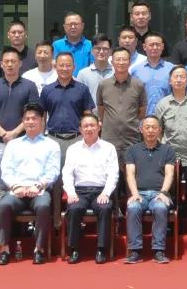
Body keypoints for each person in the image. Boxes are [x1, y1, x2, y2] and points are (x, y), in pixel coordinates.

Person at [0, 103, 59, 266]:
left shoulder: (51, 144)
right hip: (17, 190)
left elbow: (53, 171)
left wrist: (38, 186)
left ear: (42, 120)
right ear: (22, 121)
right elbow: (6, 170)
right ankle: (4, 249)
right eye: (27, 118)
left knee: (43, 205)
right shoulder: (13, 144)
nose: (30, 122)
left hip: (39, 190)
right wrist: (15, 186)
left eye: (34, 118)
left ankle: (39, 249)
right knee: (4, 204)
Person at [62, 113, 119, 264]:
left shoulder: (109, 148)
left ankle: (101, 249)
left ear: (99, 127)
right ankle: (74, 249)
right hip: (79, 191)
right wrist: (71, 193)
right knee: (73, 208)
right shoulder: (73, 149)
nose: (89, 129)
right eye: (85, 126)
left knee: (105, 208)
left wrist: (106, 193)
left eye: (92, 125)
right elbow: (67, 174)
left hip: (100, 190)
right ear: (80, 129)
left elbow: (113, 174)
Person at [124, 115, 176, 264]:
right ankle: (135, 251)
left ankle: (159, 250)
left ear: (159, 130)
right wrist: (134, 193)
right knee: (133, 207)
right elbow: (130, 174)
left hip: (159, 194)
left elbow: (169, 174)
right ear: (141, 130)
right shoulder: (132, 150)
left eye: (154, 127)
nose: (151, 130)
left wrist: (163, 192)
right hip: (139, 193)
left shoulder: (168, 150)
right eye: (147, 127)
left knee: (160, 207)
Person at [0, 48, 41, 173]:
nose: (10, 64)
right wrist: (3, 134)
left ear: (20, 64)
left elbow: (34, 114)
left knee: (23, 174)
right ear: (1, 64)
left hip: (23, 139)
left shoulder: (30, 86)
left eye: (13, 61)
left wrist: (14, 133)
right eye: (6, 61)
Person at [39, 52, 96, 162]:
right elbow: (42, 116)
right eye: (61, 65)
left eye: (68, 65)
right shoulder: (47, 90)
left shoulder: (82, 89)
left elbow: (88, 115)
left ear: (74, 67)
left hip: (77, 139)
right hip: (53, 139)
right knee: (54, 171)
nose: (65, 68)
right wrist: (41, 139)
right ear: (55, 67)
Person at [96, 47, 148, 161]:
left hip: (132, 139)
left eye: (124, 59)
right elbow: (101, 110)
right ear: (112, 62)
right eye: (118, 59)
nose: (121, 62)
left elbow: (142, 112)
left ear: (129, 62)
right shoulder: (103, 85)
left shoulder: (138, 85)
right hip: (109, 139)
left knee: (131, 170)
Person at [155, 65, 187, 164]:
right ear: (170, 81)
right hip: (169, 158)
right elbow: (158, 132)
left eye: (182, 77)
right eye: (176, 77)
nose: (179, 80)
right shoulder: (162, 104)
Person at [132, 32, 173, 115]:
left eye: (157, 45)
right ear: (144, 47)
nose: (155, 47)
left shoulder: (172, 69)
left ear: (162, 47)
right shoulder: (135, 70)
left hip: (167, 116)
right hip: (143, 117)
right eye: (151, 45)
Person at [77, 34, 115, 104]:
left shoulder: (116, 72)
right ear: (92, 51)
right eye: (98, 48)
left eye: (105, 49)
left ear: (110, 51)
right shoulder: (83, 74)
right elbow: (79, 98)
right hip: (90, 111)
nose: (101, 52)